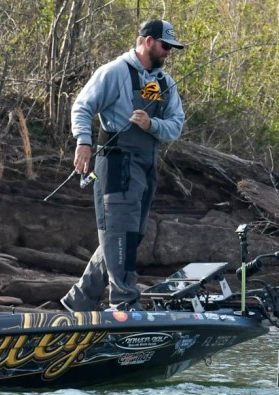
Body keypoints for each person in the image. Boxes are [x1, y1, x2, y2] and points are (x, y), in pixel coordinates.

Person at [60, 19, 185, 312]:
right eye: (165, 46)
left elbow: (176, 125)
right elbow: (82, 106)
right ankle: (124, 303)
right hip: (115, 164)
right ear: (149, 41)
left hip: (146, 166)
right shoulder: (114, 71)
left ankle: (80, 299)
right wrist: (83, 142)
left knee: (134, 233)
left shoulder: (164, 83)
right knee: (121, 233)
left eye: (171, 48)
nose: (168, 52)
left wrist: (151, 124)